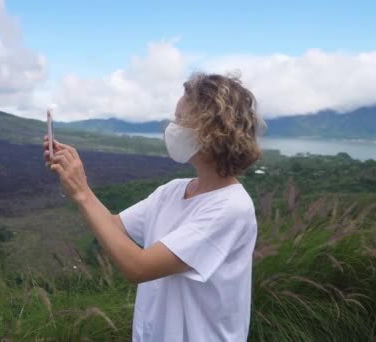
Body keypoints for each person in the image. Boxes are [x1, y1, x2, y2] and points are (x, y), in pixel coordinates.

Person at [44, 72, 263, 341]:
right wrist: (78, 182)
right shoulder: (171, 192)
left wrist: (82, 193)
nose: (172, 128)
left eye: (181, 120)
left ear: (212, 131)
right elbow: (114, 227)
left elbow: (138, 267)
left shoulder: (231, 208)